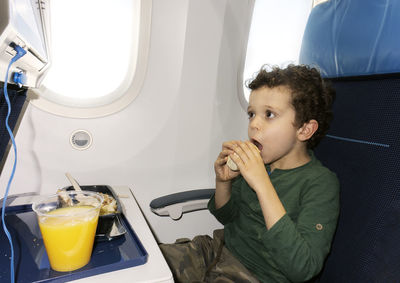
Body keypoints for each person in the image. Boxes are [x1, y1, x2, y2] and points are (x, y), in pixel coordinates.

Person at [160, 64, 340, 283]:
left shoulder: (320, 183)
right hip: (215, 250)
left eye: (269, 114)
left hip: (256, 275)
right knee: (151, 264)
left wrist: (262, 184)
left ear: (304, 129)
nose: (254, 124)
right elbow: (227, 216)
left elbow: (302, 268)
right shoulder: (260, 164)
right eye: (252, 114)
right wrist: (223, 182)